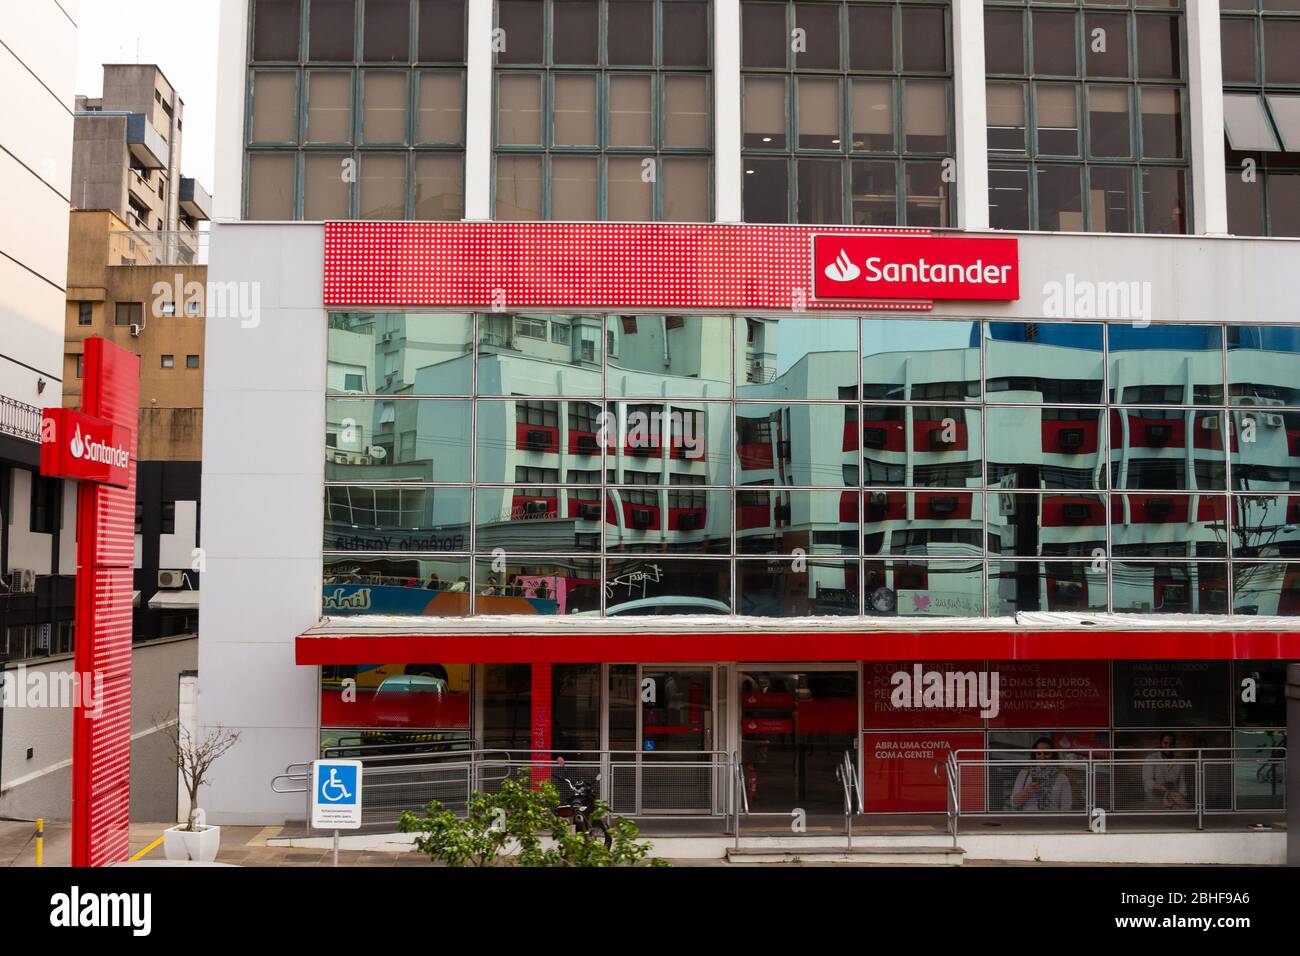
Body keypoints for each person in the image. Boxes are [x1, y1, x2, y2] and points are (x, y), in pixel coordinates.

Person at [1006, 737, 1073, 811]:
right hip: (1028, 821)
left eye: (1046, 753)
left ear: (1053, 755)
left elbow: (1066, 808)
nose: (1042, 756)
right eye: (1038, 753)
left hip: (1051, 821)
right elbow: (1014, 802)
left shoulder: (1062, 778)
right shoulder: (1025, 774)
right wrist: (1027, 791)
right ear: (1034, 755)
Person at [1142, 733, 1190, 809]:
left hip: (1172, 796)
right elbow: (1147, 781)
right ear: (1161, 743)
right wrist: (1160, 787)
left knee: (1181, 809)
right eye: (1165, 743)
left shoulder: (1179, 762)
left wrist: (1181, 796)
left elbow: (1182, 783)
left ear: (1174, 745)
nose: (1168, 746)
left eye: (1171, 744)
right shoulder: (1151, 758)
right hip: (1154, 797)